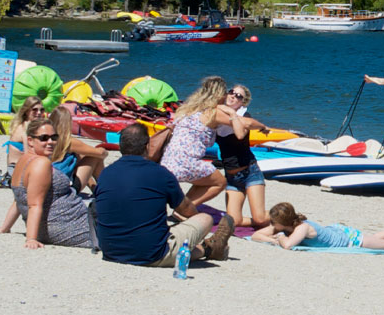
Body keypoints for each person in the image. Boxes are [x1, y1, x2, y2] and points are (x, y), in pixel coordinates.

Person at [92, 124, 233, 266]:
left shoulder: (106, 173)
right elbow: (185, 209)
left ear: (121, 146)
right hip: (151, 254)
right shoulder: (160, 173)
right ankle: (207, 250)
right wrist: (193, 224)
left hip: (110, 251)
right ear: (147, 146)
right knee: (205, 219)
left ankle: (207, 249)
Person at [0, 118, 97, 251]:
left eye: (54, 137)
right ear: (30, 141)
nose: (50, 142)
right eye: (44, 138)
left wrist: (5, 227)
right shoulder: (41, 163)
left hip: (63, 223)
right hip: (70, 226)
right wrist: (31, 239)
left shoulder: (24, 160)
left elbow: (19, 199)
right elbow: (34, 204)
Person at [155, 76, 237, 212]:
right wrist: (235, 114)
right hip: (187, 162)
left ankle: (183, 208)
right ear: (220, 95)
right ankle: (184, 210)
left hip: (168, 160)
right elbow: (243, 124)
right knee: (220, 182)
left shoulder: (187, 109)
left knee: (204, 180)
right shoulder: (213, 113)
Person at [251, 201, 384, 251]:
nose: (272, 225)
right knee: (374, 238)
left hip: (349, 240)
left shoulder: (301, 228)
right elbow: (255, 236)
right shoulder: (286, 226)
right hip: (338, 231)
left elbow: (289, 245)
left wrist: (280, 238)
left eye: (274, 223)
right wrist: (274, 239)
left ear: (283, 222)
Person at [215, 84, 272, 227]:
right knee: (234, 221)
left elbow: (241, 133)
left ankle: (287, 217)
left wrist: (231, 113)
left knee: (259, 219)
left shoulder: (244, 116)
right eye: (231, 92)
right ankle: (275, 221)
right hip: (232, 176)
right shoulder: (217, 112)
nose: (233, 96)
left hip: (249, 172)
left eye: (238, 96)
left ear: (243, 103)